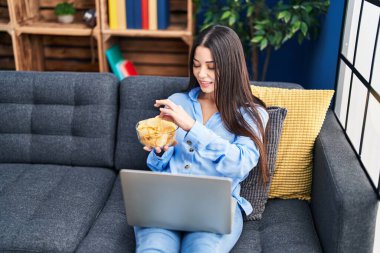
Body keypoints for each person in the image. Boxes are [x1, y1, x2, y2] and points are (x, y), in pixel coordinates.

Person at [135, 25, 269, 253]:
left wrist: (192, 127)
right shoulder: (178, 101)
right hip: (167, 199)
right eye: (196, 65)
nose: (201, 74)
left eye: (211, 67)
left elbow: (240, 164)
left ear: (231, 67)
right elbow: (158, 166)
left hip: (216, 206)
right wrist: (160, 150)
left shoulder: (251, 114)